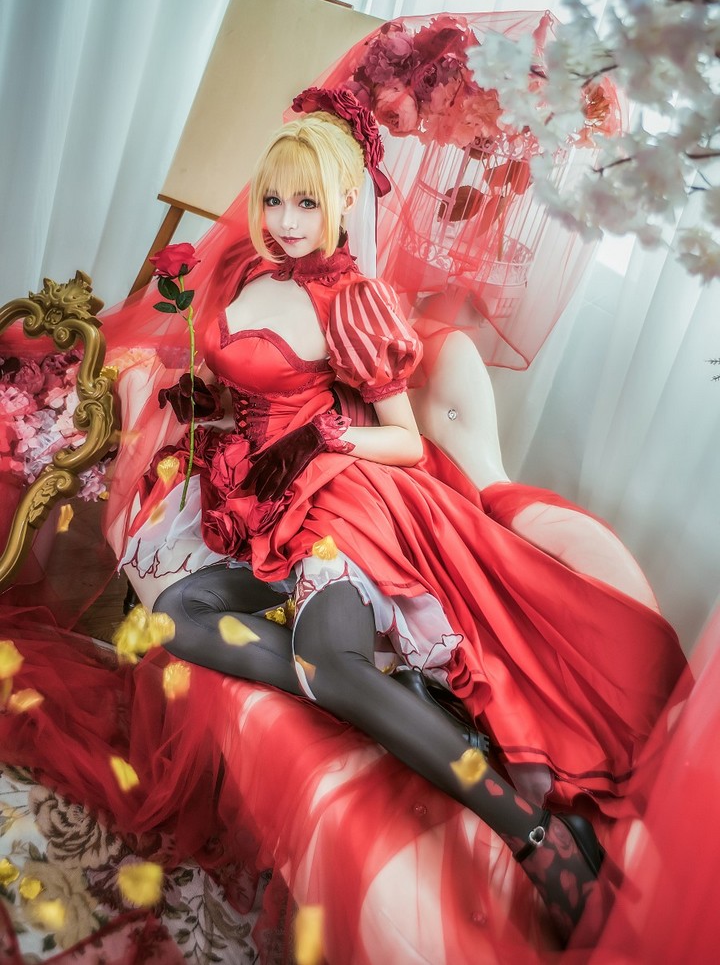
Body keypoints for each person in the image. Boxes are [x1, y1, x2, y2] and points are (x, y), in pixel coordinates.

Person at [118, 88, 686, 950]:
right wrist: (209, 412)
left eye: (307, 202)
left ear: (344, 201)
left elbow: (409, 442)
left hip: (346, 495)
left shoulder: (353, 300)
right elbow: (238, 381)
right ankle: (395, 689)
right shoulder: (253, 274)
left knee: (327, 659)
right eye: (274, 199)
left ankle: (534, 835)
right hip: (256, 500)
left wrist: (326, 438)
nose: (286, 220)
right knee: (173, 616)